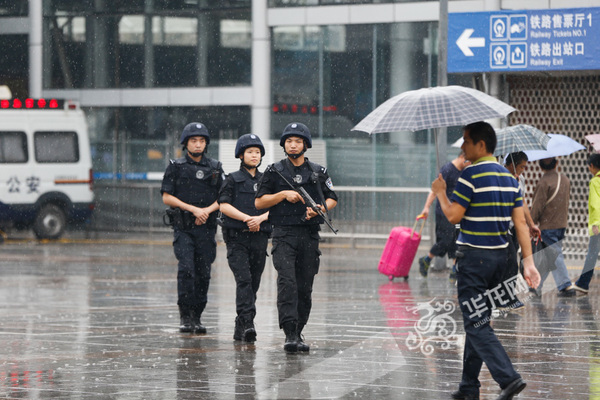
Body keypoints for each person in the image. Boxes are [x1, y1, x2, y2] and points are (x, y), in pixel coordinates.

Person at [431, 121, 540, 400]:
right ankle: (469, 387)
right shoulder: (509, 179)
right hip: (500, 261)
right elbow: (521, 225)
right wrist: (528, 263)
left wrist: (441, 191)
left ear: (481, 145)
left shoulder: (470, 175)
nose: (463, 146)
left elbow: (453, 215)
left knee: (476, 325)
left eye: (467, 141)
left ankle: (509, 378)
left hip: (474, 260)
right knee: (479, 319)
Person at [255, 122, 338, 353]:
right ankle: (289, 332)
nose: (293, 145)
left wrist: (320, 209)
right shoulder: (274, 171)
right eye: (289, 141)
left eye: (298, 141)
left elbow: (332, 198)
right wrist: (282, 195)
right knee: (287, 282)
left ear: (306, 145)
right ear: (284, 144)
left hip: (309, 235)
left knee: (305, 286)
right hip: (283, 234)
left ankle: (299, 330)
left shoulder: (318, 171)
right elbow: (259, 202)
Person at [161, 122, 224, 334]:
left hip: (206, 229)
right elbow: (167, 196)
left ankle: (197, 316)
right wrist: (194, 210)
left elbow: (224, 197)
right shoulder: (176, 166)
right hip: (184, 227)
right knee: (187, 269)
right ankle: (185, 316)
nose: (198, 144)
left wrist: (206, 211)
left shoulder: (215, 167)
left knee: (203, 273)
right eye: (193, 141)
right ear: (186, 143)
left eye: (201, 141)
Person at [218, 134, 271, 342]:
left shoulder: (267, 180)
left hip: (259, 237)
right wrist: (247, 218)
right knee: (244, 280)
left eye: (257, 152)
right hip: (237, 238)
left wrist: (260, 219)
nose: (254, 155)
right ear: (241, 155)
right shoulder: (232, 179)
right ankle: (248, 322)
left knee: (254, 282)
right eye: (250, 152)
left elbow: (275, 206)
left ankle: (241, 323)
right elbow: (223, 205)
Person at [530, 157, 575, 297]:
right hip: (562, 224)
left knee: (554, 255)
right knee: (550, 257)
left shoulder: (544, 182)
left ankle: (566, 285)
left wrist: (531, 223)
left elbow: (537, 206)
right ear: (557, 163)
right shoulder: (565, 180)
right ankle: (536, 286)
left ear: (540, 165)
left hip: (548, 225)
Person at [419, 151, 469, 277]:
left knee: (456, 239)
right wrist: (426, 207)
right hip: (443, 211)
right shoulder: (447, 170)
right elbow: (435, 190)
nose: (469, 164)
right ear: (462, 157)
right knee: (445, 240)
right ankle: (426, 259)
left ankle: (454, 269)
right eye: (468, 161)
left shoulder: (463, 172)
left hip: (456, 210)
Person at [502, 152, 541, 311]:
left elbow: (521, 202)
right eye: (521, 166)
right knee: (508, 262)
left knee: (513, 261)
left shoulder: (520, 180)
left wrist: (531, 224)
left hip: (514, 226)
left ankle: (507, 296)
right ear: (511, 164)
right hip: (501, 226)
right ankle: (506, 298)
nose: (524, 170)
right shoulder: (500, 176)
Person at [573, 154, 600, 294]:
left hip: (598, 225)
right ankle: (582, 283)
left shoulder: (596, 181)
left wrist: (595, 224)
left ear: (592, 166)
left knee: (592, 254)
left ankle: (583, 283)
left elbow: (596, 204)